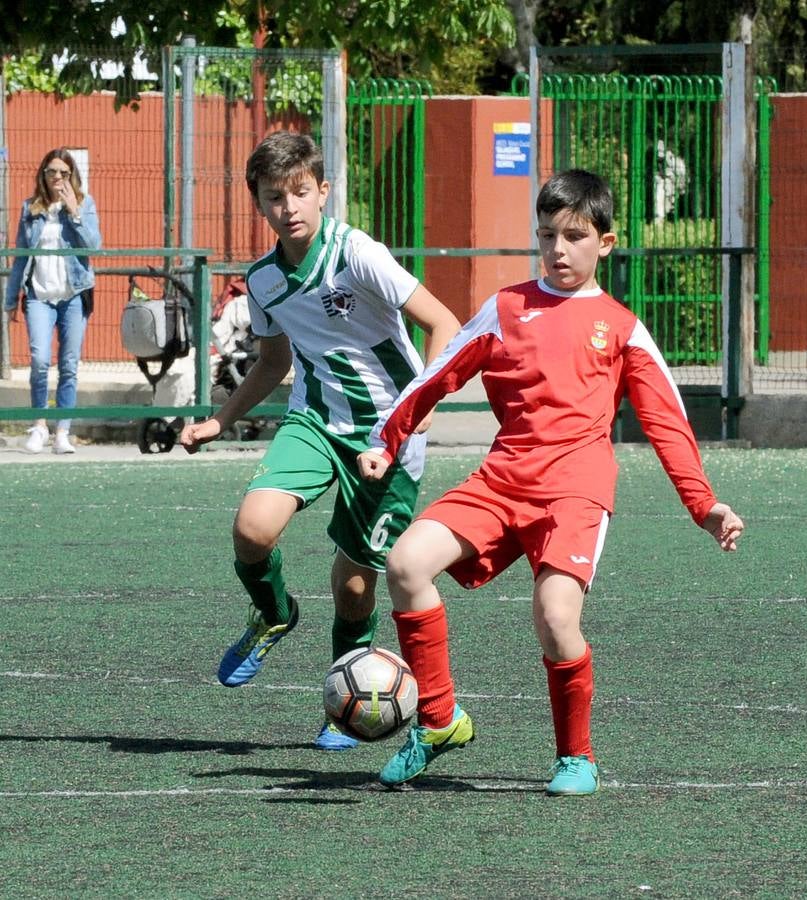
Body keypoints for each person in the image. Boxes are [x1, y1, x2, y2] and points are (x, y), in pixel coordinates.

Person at [357, 169, 745, 795]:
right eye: (546, 236)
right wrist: (387, 438)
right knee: (405, 564)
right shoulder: (507, 308)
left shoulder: (620, 327)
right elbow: (442, 371)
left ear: (606, 242)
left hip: (576, 491)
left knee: (555, 614)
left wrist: (704, 505)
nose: (558, 250)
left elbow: (666, 421)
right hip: (502, 477)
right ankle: (437, 721)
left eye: (573, 236)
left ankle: (577, 756)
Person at [179, 131, 460, 750]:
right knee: (253, 529)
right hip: (314, 420)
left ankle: (344, 709)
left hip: (390, 430)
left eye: (301, 192)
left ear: (323, 191)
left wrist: (417, 411)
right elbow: (273, 362)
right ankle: (275, 613)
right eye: (275, 197)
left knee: (355, 585)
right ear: (260, 204)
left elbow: (445, 323)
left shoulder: (356, 252)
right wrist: (220, 421)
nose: (290, 207)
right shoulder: (263, 283)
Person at [4, 149, 102, 454]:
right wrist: (10, 300)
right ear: (43, 175)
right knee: (40, 360)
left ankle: (62, 430)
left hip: (73, 295)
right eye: (51, 172)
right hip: (39, 296)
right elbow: (20, 256)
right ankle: (39, 425)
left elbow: (93, 247)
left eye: (63, 172)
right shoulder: (30, 209)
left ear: (72, 176)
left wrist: (74, 211)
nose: (57, 177)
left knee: (69, 365)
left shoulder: (85, 204)